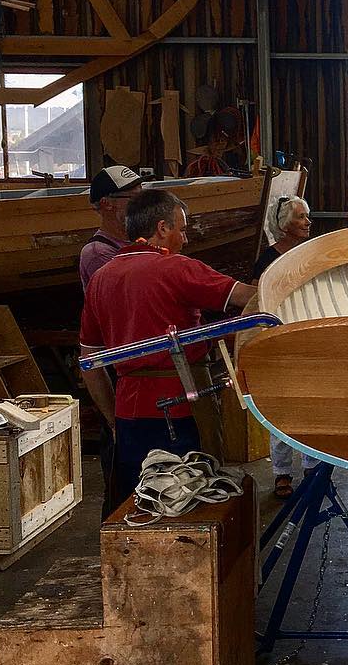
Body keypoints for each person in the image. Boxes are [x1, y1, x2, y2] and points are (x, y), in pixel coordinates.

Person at [80, 188, 256, 519]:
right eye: (182, 229)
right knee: (190, 502)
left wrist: (112, 420)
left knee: (139, 505)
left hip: (127, 412)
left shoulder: (100, 280)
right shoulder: (177, 268)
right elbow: (247, 297)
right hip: (182, 407)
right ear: (162, 228)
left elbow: (89, 363)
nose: (185, 239)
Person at [253, 195, 316, 498]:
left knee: (312, 407)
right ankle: (282, 472)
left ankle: (313, 466)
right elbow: (256, 298)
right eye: (301, 217)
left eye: (307, 217)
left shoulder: (311, 253)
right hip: (279, 336)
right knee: (281, 410)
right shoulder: (268, 258)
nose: (308, 222)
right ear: (284, 224)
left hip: (307, 335)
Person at [79, 165, 144, 291]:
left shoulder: (138, 239)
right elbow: (130, 296)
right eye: (134, 198)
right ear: (106, 203)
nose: (142, 203)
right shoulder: (98, 253)